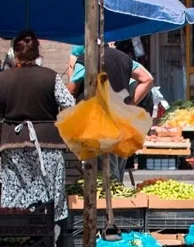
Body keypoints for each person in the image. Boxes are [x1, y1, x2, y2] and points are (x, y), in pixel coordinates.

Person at [0, 30, 75, 247]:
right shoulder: (51, 77)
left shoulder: (3, 78)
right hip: (47, 143)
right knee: (51, 197)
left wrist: (4, 119)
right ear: (38, 52)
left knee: (16, 197)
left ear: (14, 53)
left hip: (14, 144)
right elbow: (69, 104)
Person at [66, 43, 154, 181]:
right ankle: (116, 197)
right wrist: (131, 103)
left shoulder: (85, 59)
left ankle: (111, 199)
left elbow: (71, 90)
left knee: (106, 176)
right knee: (117, 171)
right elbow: (147, 79)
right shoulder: (125, 58)